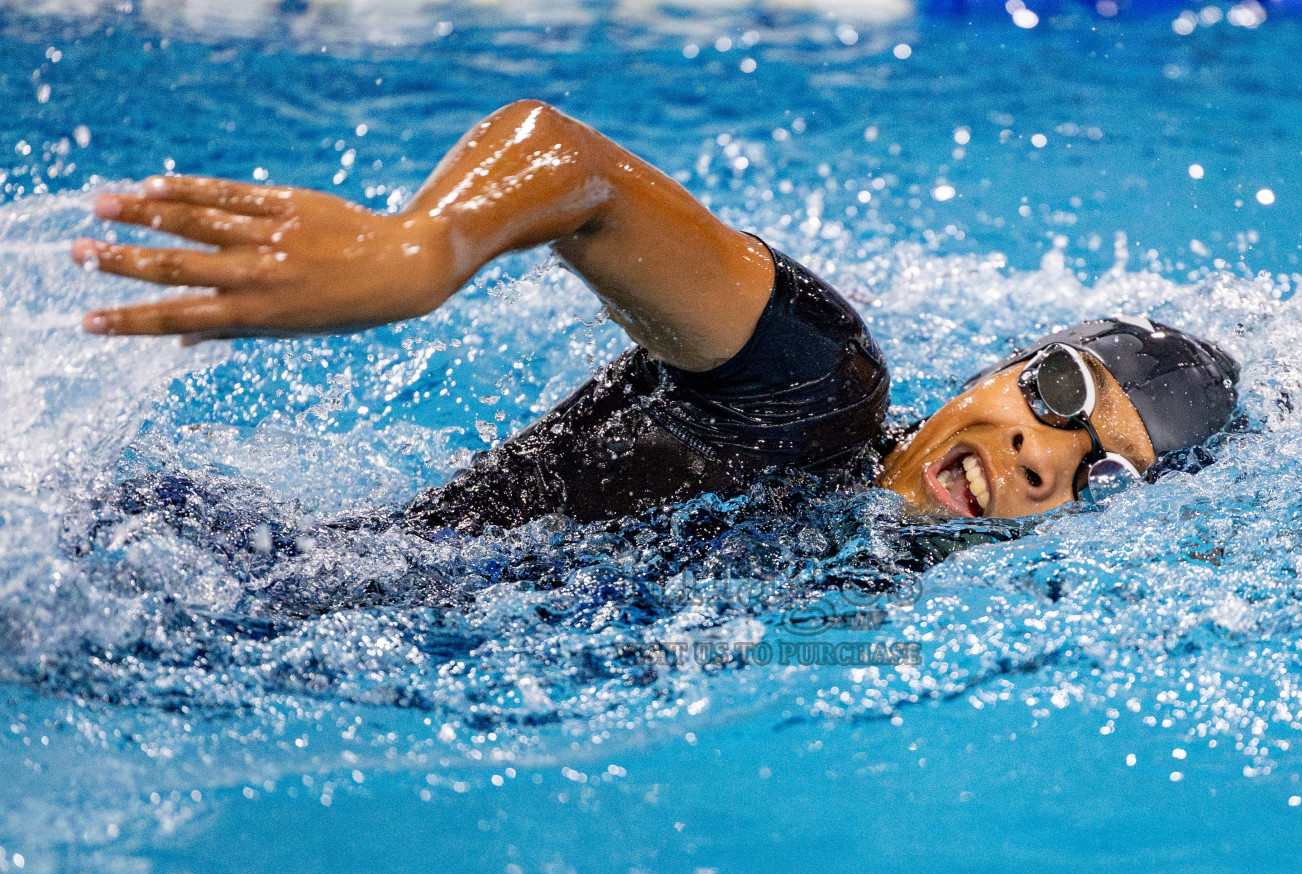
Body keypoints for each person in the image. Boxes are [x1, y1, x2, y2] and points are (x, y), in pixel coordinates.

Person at [72, 100, 1239, 534]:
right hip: (206, 579)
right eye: (1060, 395)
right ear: (1008, 366)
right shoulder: (817, 393)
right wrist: (415, 252)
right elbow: (571, 169)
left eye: (1103, 480)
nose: (1046, 457)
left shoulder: (885, 587)